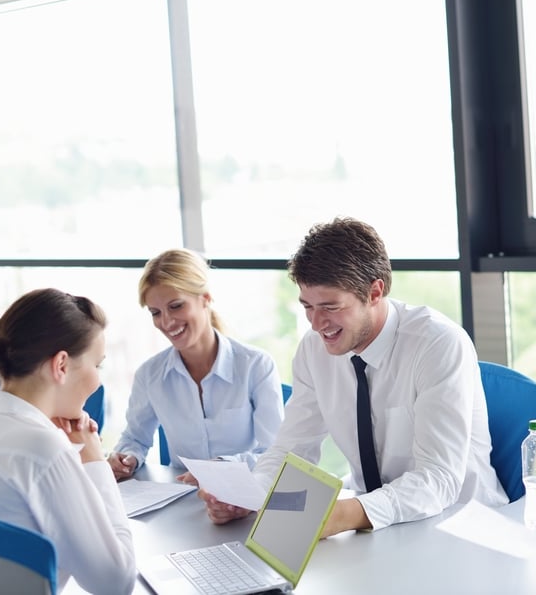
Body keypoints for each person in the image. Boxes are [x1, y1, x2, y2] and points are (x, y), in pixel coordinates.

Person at [201, 217, 507, 537]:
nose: (317, 323)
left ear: (374, 292)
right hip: (376, 528)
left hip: (462, 526)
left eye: (330, 307)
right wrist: (252, 496)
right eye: (307, 306)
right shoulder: (313, 350)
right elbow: (290, 450)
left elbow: (439, 478)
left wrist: (348, 513)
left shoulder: (437, 344)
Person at [0, 288, 135, 595]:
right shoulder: (42, 449)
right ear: (61, 365)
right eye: (97, 365)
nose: (98, 379)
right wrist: (94, 461)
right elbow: (116, 582)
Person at [108, 248, 284, 483]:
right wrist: (126, 458)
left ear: (206, 299)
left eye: (176, 306)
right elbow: (135, 438)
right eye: (155, 312)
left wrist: (222, 467)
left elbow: (275, 454)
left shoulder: (256, 366)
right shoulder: (149, 375)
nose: (166, 322)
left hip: (246, 494)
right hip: (184, 498)